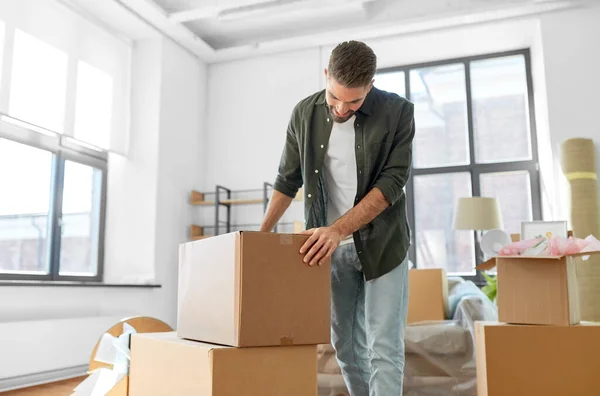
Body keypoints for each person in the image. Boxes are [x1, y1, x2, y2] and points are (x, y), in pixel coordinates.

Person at [260, 40, 415, 396]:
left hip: (383, 244)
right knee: (344, 346)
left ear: (371, 84)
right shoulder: (304, 113)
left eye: (354, 102)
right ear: (326, 75)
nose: (342, 109)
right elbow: (288, 178)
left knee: (383, 347)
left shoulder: (398, 112)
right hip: (329, 250)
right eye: (335, 98)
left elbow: (392, 183)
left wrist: (337, 230)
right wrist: (260, 236)